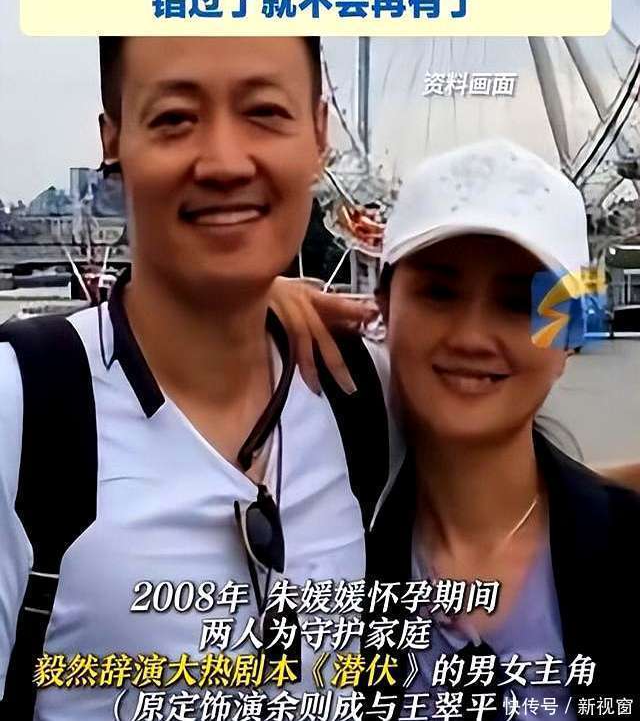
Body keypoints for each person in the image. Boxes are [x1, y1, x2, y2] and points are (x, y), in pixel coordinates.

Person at [0, 35, 393, 720]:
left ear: (319, 132)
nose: (224, 161)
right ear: (114, 140)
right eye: (175, 118)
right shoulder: (23, 408)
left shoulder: (359, 394)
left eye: (264, 112)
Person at [277, 139, 640, 707]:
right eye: (439, 293)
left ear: (571, 332)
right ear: (384, 306)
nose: (472, 337)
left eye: (518, 303)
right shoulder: (322, 560)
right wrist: (239, 314)